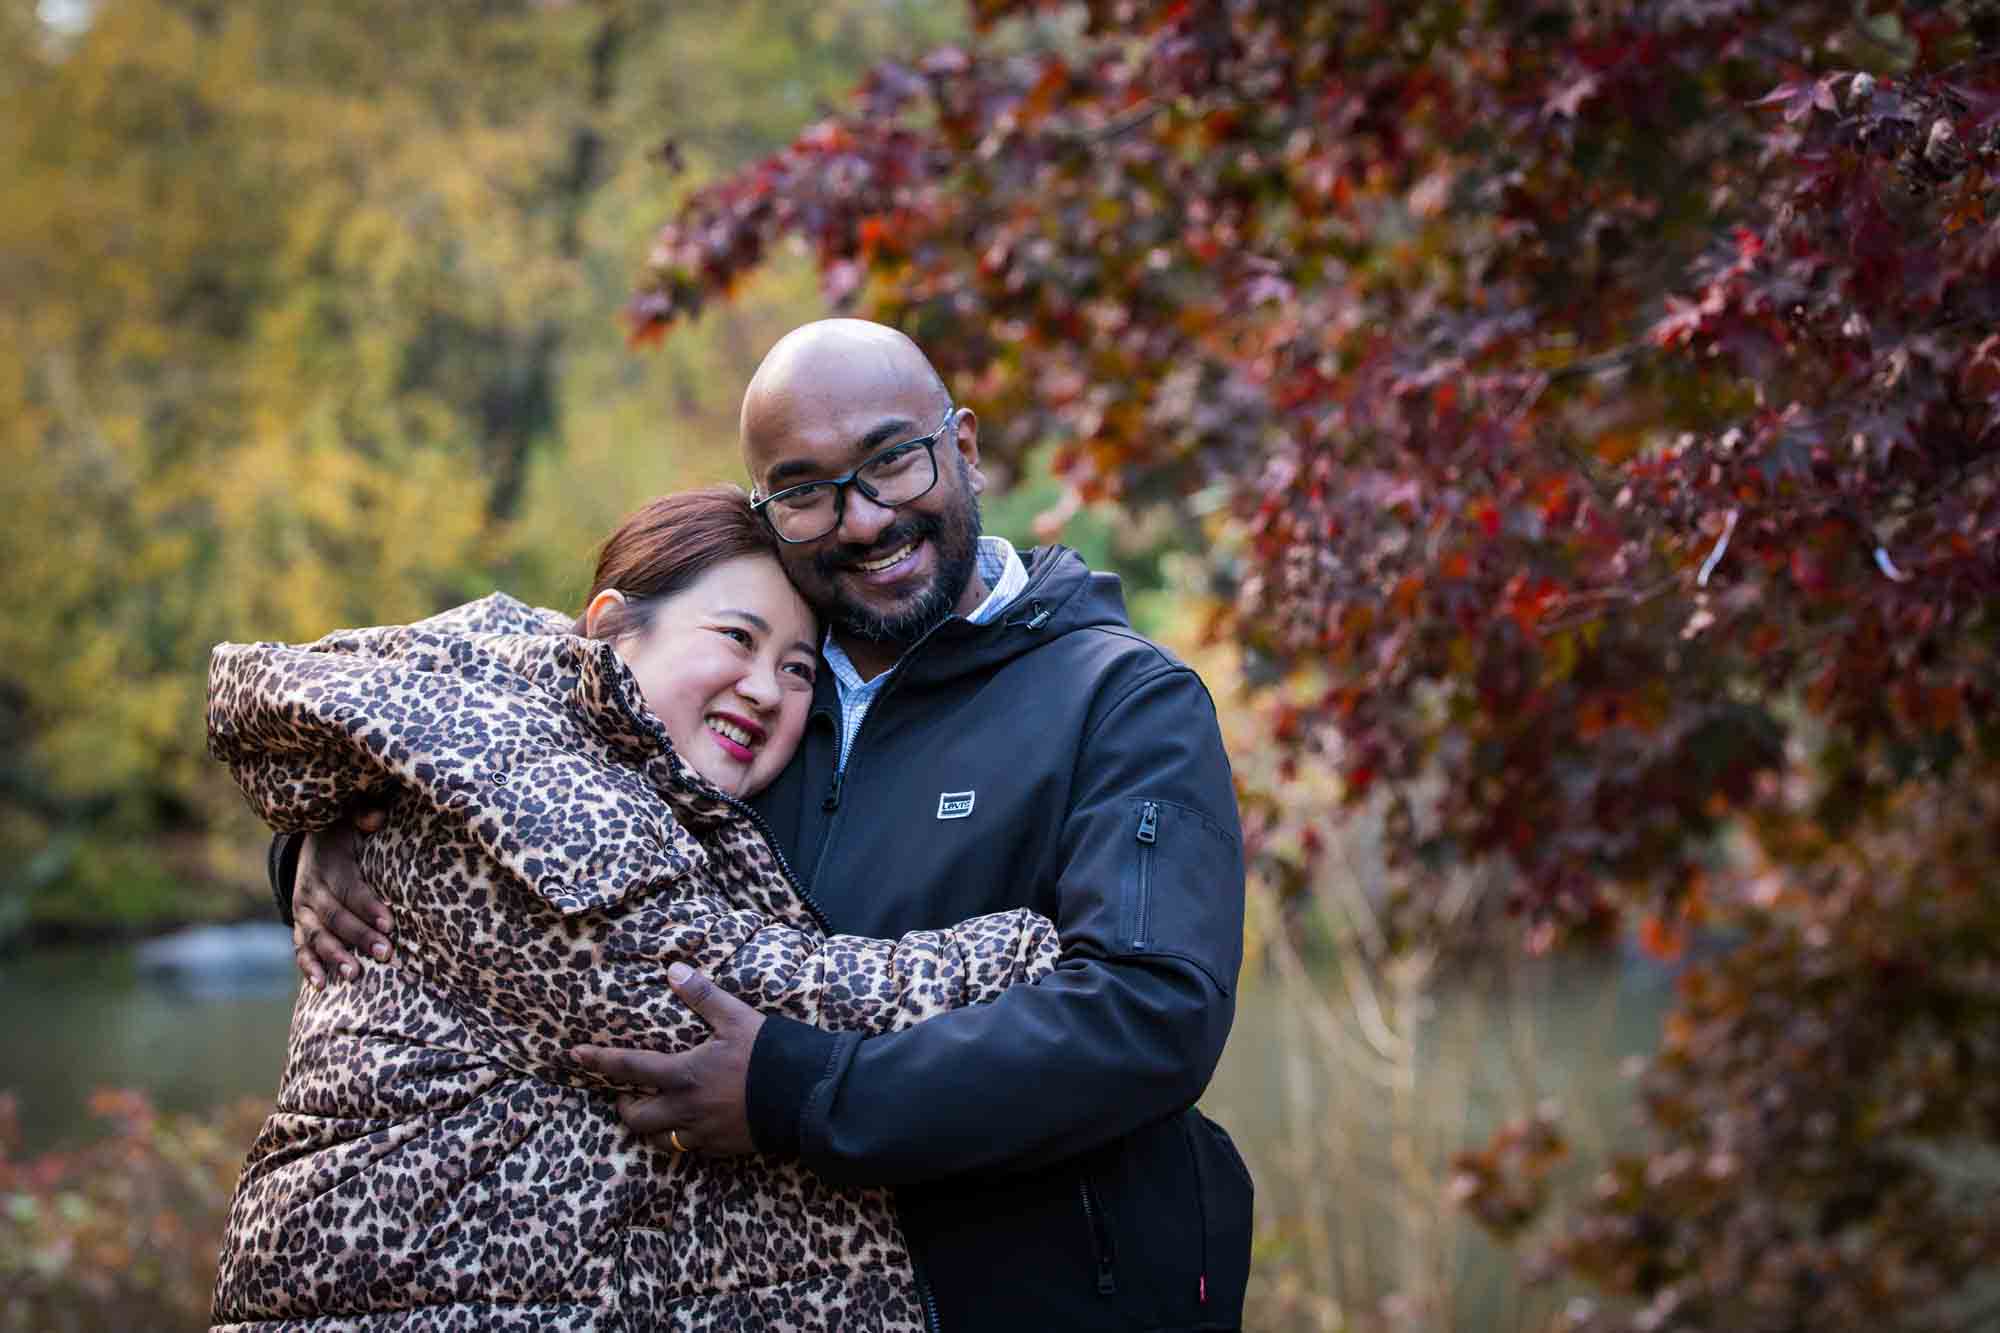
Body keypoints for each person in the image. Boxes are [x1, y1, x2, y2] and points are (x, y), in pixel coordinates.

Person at [287, 319, 1254, 1331]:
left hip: (1037, 1294)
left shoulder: (1119, 697)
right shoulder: (742, 688)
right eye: (805, 489)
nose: (862, 517)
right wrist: (339, 829)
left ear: (962, 448)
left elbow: (1153, 1015)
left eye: (891, 460)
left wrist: (797, 1091)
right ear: (770, 506)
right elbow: (497, 744)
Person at [207, 485, 1060, 1331]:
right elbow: (746, 999)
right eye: (736, 637)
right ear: (613, 626)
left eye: (799, 669)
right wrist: (1042, 946)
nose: (765, 689)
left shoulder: (574, 751)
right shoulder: (536, 792)